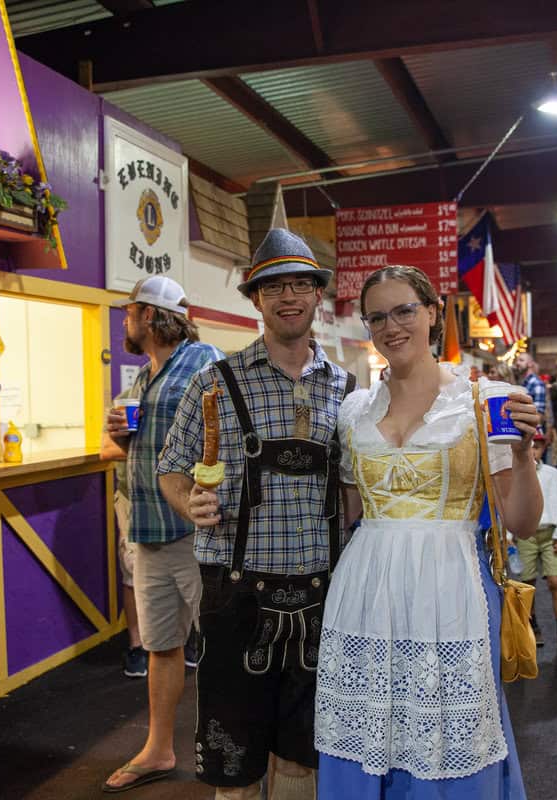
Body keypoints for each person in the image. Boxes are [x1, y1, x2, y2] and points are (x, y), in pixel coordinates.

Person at [314, 265, 539, 799]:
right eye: (377, 316)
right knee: (365, 729)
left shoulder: (484, 398)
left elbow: (522, 522)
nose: (392, 326)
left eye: (404, 310)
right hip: (365, 585)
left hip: (450, 583)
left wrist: (525, 454)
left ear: (434, 313)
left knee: (445, 732)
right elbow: (349, 509)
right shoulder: (352, 409)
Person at [158, 229, 353, 800]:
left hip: (324, 593)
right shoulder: (214, 383)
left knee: (301, 761)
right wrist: (186, 499)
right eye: (274, 287)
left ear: (318, 295)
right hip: (235, 593)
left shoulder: (350, 390)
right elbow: (171, 466)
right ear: (256, 300)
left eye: (299, 284)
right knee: (234, 769)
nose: (288, 296)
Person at [102, 276, 224, 793]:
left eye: (128, 312)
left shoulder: (204, 361)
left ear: (149, 316)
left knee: (220, 646)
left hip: (197, 534)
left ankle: (227, 746)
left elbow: (227, 433)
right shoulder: (139, 381)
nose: (124, 321)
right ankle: (158, 748)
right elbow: (126, 453)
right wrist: (120, 436)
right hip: (150, 531)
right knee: (161, 646)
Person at [103, 382, 146, 679]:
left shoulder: (193, 391)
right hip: (134, 499)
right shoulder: (129, 398)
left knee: (187, 572)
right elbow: (106, 450)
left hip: (178, 497)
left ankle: (188, 640)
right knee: (132, 572)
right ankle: (136, 644)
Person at [518, 429, 557, 653]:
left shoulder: (553, 475)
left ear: (544, 449)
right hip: (525, 535)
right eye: (529, 446)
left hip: (549, 534)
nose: (533, 451)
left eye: (538, 446)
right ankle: (532, 626)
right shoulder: (515, 474)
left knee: (555, 581)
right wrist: (510, 536)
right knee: (528, 583)